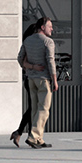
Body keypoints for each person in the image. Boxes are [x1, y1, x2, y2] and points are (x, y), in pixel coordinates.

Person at [15, 14, 58, 149]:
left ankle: (39, 139)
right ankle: (34, 137)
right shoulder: (48, 42)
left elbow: (20, 59)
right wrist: (55, 80)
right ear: (42, 27)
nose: (52, 30)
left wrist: (31, 67)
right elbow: (51, 61)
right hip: (44, 79)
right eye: (50, 27)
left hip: (30, 79)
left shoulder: (28, 40)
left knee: (35, 108)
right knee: (44, 109)